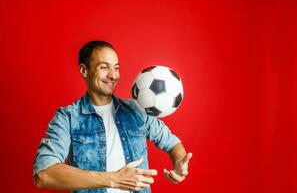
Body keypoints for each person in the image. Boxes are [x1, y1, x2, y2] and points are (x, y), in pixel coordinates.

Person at [33, 40, 192, 193]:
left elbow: (173, 144)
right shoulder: (67, 118)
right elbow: (44, 174)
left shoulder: (137, 110)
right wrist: (114, 179)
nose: (113, 75)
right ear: (84, 70)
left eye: (116, 68)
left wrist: (179, 164)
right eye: (104, 67)